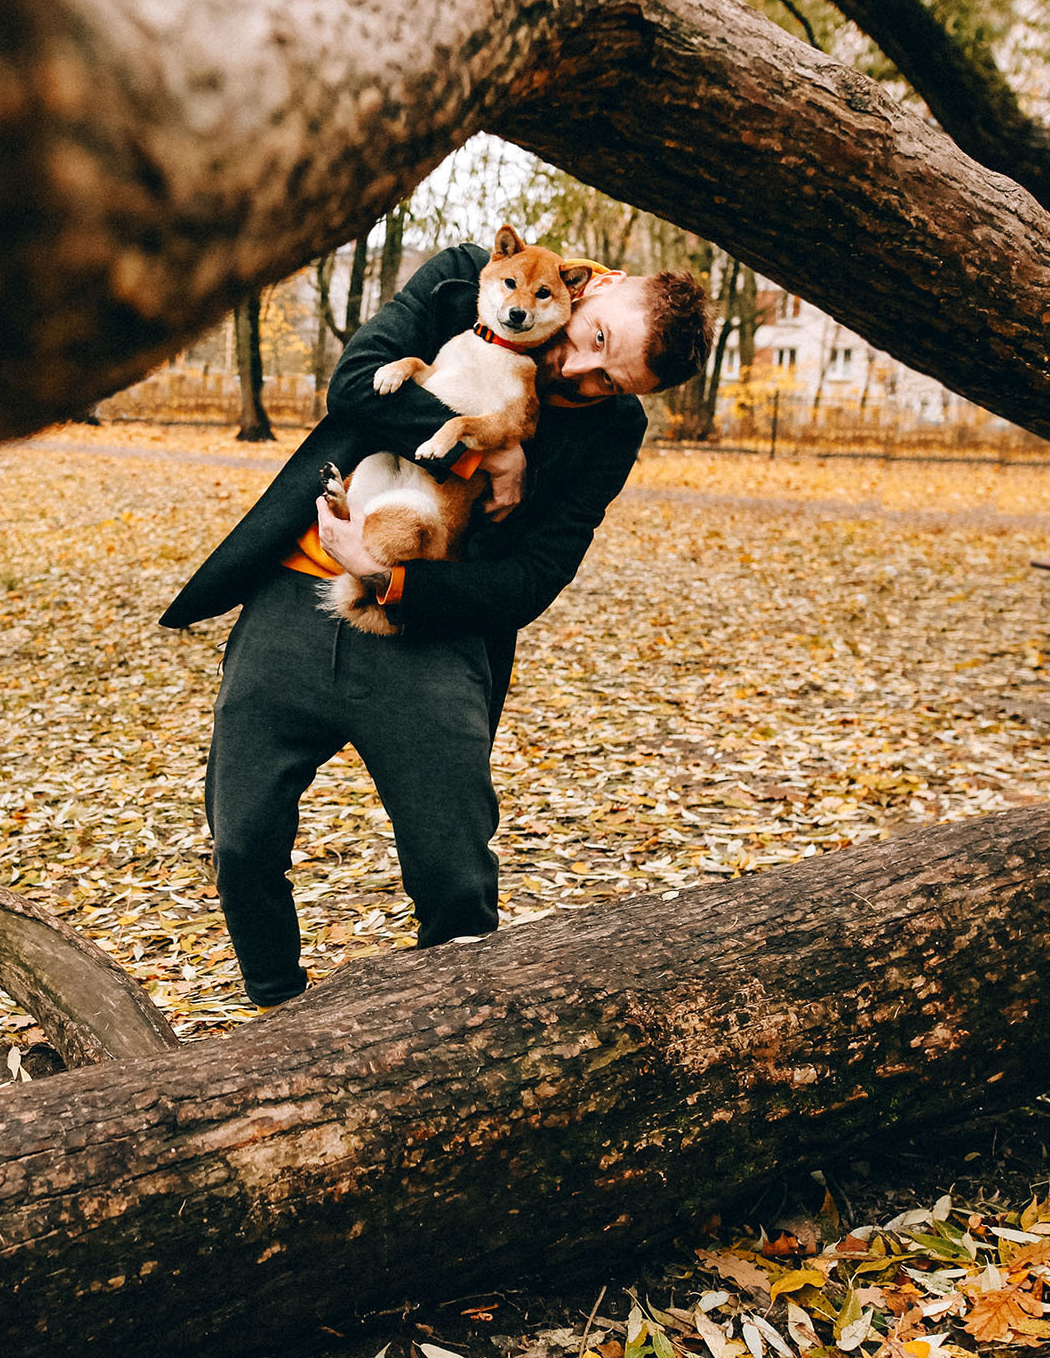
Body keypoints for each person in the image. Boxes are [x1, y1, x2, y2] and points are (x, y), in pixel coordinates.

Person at [159, 243, 713, 1007]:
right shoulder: (466, 279)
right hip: (292, 597)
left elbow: (530, 579)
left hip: (429, 633)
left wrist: (393, 579)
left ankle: (453, 1037)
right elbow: (354, 385)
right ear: (595, 289)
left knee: (455, 878)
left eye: (609, 382)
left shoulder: (611, 432)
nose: (580, 375)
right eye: (595, 342)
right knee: (241, 841)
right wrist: (481, 454)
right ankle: (276, 1012)